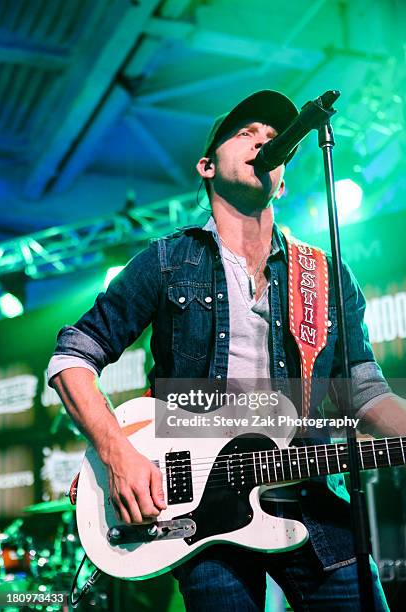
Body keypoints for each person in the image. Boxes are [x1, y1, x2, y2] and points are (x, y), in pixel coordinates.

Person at [48, 90, 406, 610]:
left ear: (281, 179)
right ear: (207, 166)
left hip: (314, 500)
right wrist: (117, 452)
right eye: (246, 132)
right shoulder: (168, 261)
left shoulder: (325, 274)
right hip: (203, 513)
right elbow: (72, 358)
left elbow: (367, 393)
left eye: (272, 138)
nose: (263, 140)